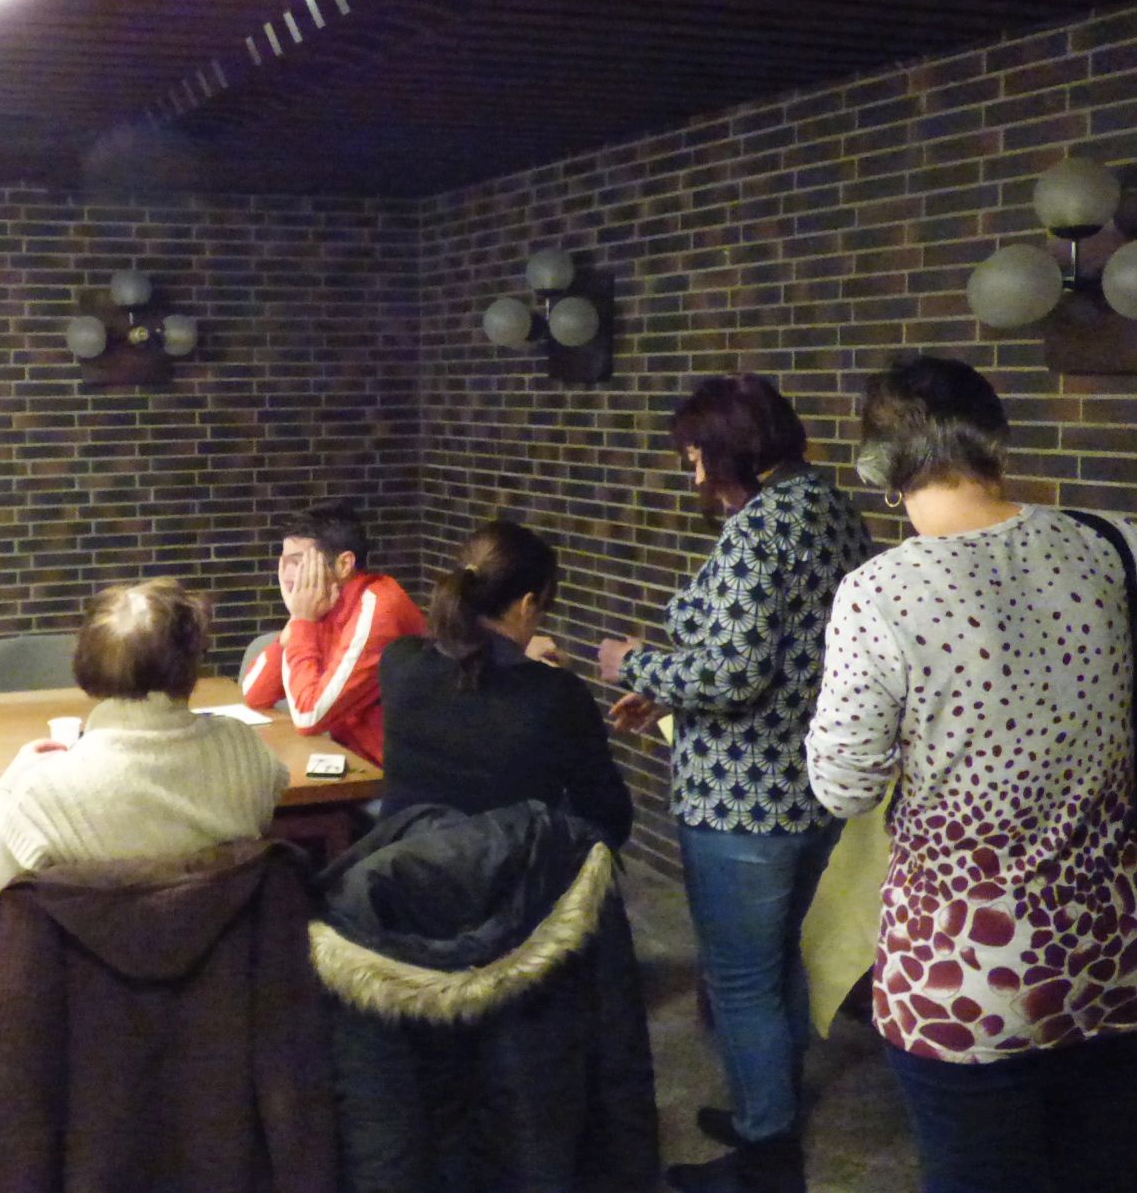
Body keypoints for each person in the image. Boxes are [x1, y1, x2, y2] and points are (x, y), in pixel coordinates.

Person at [806, 355, 1137, 1193]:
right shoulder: (1109, 543)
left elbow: (842, 785)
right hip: (1120, 954)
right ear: (996, 442)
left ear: (878, 467)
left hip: (967, 974)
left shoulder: (879, 593)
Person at [597, 374, 872, 1193]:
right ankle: (768, 1107)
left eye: (695, 457)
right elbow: (783, 652)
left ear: (727, 450)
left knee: (742, 980)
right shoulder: (828, 509)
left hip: (740, 800)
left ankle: (765, 1153)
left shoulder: (758, 528)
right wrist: (671, 690)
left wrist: (634, 665)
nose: (692, 474)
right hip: (810, 787)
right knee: (779, 962)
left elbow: (733, 672)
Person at [0, 579, 288, 970]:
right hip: (218, 976)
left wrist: (7, 784)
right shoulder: (244, 749)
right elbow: (270, 797)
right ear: (193, 663)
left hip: (84, 984)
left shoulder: (44, 789)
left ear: (85, 664)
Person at [379, 518, 633, 846]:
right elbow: (609, 818)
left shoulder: (399, 661)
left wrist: (518, 658)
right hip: (506, 874)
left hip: (404, 867)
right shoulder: (557, 694)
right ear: (527, 606)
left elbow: (465, 676)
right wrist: (545, 676)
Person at [240, 501, 425, 765]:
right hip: (352, 759)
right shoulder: (322, 605)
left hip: (392, 774)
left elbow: (309, 716)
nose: (288, 574)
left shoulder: (378, 608)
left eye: (298, 562)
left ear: (343, 564)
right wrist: (297, 621)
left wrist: (301, 621)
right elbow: (254, 695)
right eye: (284, 562)